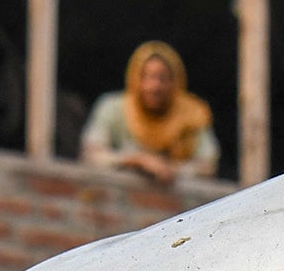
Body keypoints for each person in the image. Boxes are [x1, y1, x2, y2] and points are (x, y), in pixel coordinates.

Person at [80, 41, 219, 187]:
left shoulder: (192, 115)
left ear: (175, 81)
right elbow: (91, 155)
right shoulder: (113, 108)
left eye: (162, 78)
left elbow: (208, 165)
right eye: (147, 77)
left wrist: (171, 169)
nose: (154, 87)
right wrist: (136, 161)